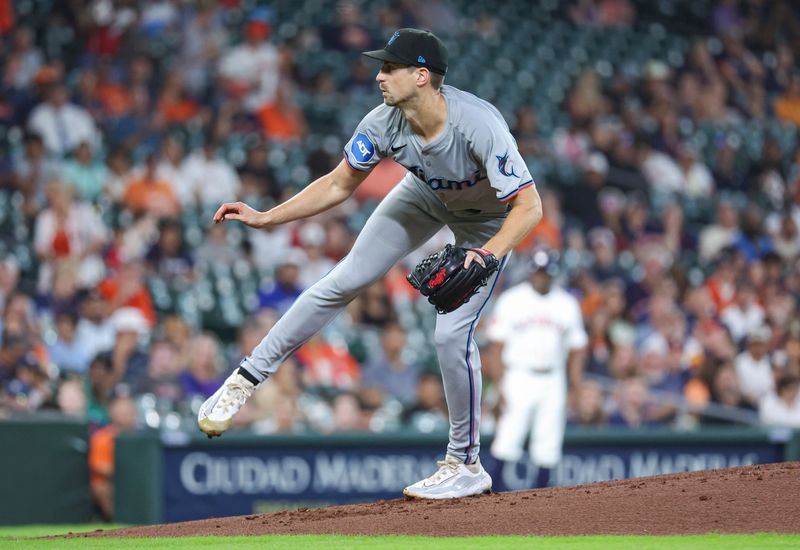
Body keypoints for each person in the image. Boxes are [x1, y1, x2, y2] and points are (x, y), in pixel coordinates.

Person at [197, 28, 543, 500]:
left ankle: (465, 463)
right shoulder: (383, 122)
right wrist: (268, 217)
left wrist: (487, 254)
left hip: (487, 223)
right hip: (425, 197)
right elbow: (339, 184)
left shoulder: (478, 124)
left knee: (448, 335)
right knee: (342, 280)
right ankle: (244, 379)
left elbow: (529, 207)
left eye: (390, 67)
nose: (379, 76)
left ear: (422, 76)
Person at [486, 247, 587, 488]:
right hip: (518, 376)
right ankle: (490, 501)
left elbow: (577, 348)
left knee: (548, 444)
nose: (542, 277)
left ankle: (540, 505)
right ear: (531, 272)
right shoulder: (512, 300)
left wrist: (575, 388)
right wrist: (498, 386)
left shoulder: (567, 303)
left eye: (546, 272)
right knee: (507, 439)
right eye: (539, 272)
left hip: (553, 378)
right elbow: (496, 347)